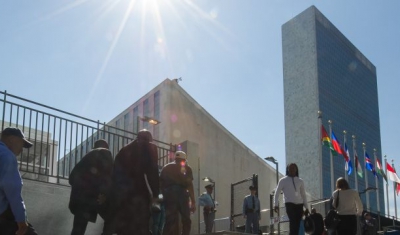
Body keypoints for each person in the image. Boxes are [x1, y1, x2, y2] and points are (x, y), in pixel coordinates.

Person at [113, 129, 159, 235]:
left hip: (121, 193)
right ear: (149, 139)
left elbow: (114, 172)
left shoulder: (123, 150)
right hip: (138, 191)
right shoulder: (149, 147)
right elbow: (152, 172)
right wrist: (156, 194)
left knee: (124, 225)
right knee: (142, 223)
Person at [68, 139, 114, 235]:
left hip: (79, 199)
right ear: (106, 147)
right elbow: (108, 175)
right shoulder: (105, 152)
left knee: (78, 230)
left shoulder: (86, 158)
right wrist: (104, 193)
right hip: (93, 197)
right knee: (112, 218)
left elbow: (71, 178)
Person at [0, 127, 38, 235]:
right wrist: (21, 221)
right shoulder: (7, 156)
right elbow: (13, 193)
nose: (22, 150)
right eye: (22, 144)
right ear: (12, 139)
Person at [160, 151, 196, 235]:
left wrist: (163, 195)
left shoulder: (166, 167)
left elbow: (160, 184)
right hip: (182, 194)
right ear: (184, 159)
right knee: (186, 219)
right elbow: (189, 185)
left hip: (169, 194)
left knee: (169, 219)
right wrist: (193, 202)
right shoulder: (187, 168)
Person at [274, 163, 309, 235]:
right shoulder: (283, 180)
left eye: (293, 168)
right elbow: (277, 193)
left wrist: (306, 207)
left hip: (299, 205)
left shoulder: (300, 181)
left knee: (297, 224)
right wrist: (275, 204)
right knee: (293, 222)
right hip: (289, 204)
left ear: (296, 170)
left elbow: (303, 195)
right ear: (287, 170)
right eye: (290, 168)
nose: (292, 169)